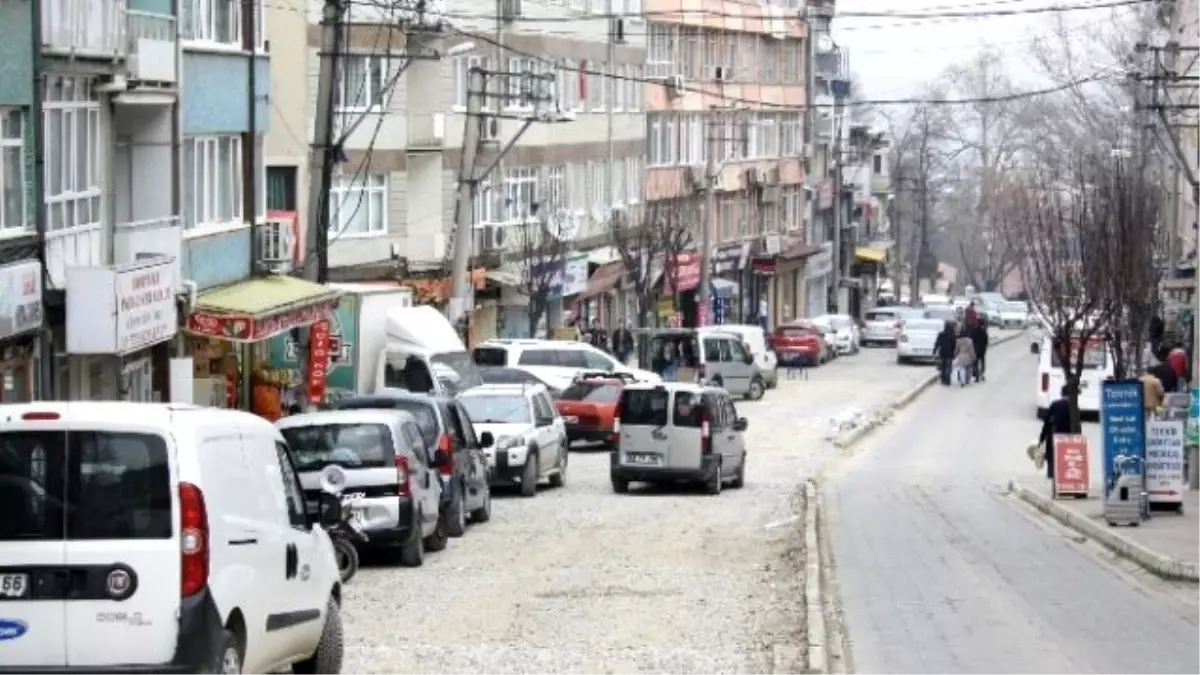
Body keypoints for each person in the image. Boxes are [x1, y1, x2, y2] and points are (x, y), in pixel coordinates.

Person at [1039, 385, 1080, 481]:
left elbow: (1046, 424)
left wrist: (1041, 439)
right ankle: (1063, 483)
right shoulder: (1074, 407)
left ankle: (1054, 484)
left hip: (1053, 440)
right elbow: (1077, 427)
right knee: (1065, 465)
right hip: (1068, 442)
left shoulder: (1055, 405)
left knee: (1053, 465)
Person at [933, 319, 957, 386]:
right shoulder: (953, 335)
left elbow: (937, 343)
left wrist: (934, 351)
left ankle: (943, 379)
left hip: (942, 352)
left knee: (943, 366)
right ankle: (947, 379)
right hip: (950, 353)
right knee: (948, 366)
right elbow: (954, 345)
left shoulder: (941, 334)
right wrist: (955, 353)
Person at [971, 317, 990, 382]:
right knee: (982, 362)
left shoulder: (974, 330)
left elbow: (972, 340)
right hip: (982, 350)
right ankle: (982, 374)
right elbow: (986, 342)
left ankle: (976, 376)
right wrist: (985, 348)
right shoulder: (984, 332)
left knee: (975, 363)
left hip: (975, 349)